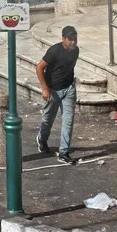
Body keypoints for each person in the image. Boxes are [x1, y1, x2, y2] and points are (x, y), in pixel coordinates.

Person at [35, 26, 79, 165]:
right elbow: (39, 67)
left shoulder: (76, 51)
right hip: (53, 90)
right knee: (48, 118)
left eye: (75, 39)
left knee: (68, 120)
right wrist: (45, 89)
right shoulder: (54, 51)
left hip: (69, 89)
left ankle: (64, 153)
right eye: (70, 39)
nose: (73, 42)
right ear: (63, 39)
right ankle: (42, 139)